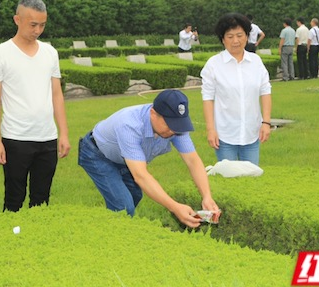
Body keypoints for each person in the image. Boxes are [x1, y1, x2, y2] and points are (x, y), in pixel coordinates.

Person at [78, 89, 220, 228]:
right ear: (153, 114)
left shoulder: (176, 130)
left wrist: (207, 196)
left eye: (178, 125)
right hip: (96, 154)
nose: (173, 131)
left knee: (134, 196)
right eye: (170, 124)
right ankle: (112, 239)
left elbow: (193, 161)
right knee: (123, 206)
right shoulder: (129, 125)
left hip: (124, 158)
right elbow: (140, 175)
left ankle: (110, 227)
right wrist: (175, 207)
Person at [0, 0, 70, 212]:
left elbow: (56, 94)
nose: (38, 30)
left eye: (42, 25)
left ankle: (38, 242)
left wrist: (64, 134)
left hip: (47, 137)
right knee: (14, 198)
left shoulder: (50, 52)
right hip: (16, 138)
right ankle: (11, 242)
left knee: (41, 200)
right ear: (17, 19)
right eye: (33, 24)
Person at [200, 13, 272, 166]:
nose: (236, 41)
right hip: (224, 134)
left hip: (252, 133)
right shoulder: (213, 65)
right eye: (230, 36)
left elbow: (265, 91)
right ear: (222, 39)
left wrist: (266, 122)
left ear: (247, 36)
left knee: (252, 179)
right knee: (229, 179)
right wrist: (210, 129)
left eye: (240, 35)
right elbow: (207, 98)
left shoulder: (256, 62)